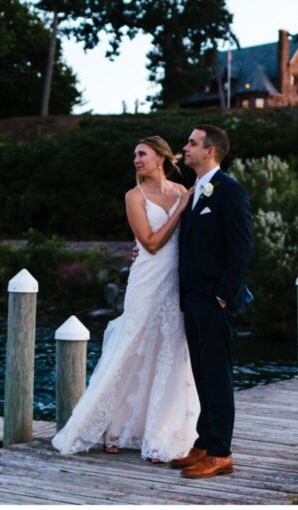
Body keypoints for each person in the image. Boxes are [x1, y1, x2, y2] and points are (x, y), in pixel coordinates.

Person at [51, 136, 199, 463]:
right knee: (131, 346)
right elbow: (149, 242)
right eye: (134, 155)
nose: (136, 159)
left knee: (170, 351)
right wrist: (180, 210)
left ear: (160, 157)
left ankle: (159, 430)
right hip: (147, 280)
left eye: (142, 154)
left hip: (175, 283)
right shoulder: (135, 196)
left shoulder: (181, 191)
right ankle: (112, 428)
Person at [168, 125, 254, 479]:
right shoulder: (196, 192)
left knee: (218, 376)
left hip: (214, 300)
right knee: (202, 374)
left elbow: (242, 246)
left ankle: (221, 453)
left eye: (192, 143)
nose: (185, 148)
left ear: (211, 150)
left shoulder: (229, 191)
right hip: (193, 299)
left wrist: (222, 295)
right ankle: (204, 443)